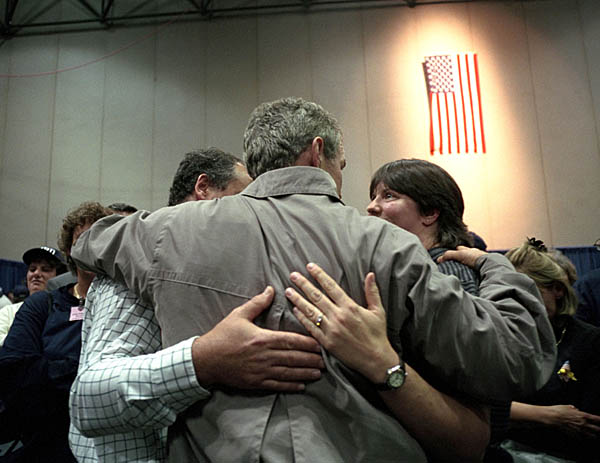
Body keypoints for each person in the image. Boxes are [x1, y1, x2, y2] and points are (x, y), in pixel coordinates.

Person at [71, 97, 556, 462]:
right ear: (318, 151)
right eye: (343, 166)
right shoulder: (386, 245)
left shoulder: (164, 232)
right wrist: (495, 266)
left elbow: (89, 240)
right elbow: (516, 359)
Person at [68, 148, 323, 462]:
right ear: (203, 188)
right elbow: (89, 400)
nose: (253, 212)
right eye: (242, 196)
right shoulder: (139, 261)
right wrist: (202, 361)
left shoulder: (221, 263)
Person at [0, 202, 109, 462]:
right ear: (70, 251)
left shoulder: (128, 306)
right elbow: (12, 369)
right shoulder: (42, 304)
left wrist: (49, 370)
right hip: (43, 439)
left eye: (102, 237)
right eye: (83, 239)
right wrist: (86, 372)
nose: (93, 246)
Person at [502, 239, 600, 461]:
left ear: (557, 290)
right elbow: (483, 408)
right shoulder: (503, 337)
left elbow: (587, 423)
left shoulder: (589, 342)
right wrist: (550, 416)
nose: (516, 302)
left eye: (526, 291)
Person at [0, 246, 66, 346]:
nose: (36, 274)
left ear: (60, 277)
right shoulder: (8, 312)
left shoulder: (66, 312)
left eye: (45, 269)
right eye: (32, 269)